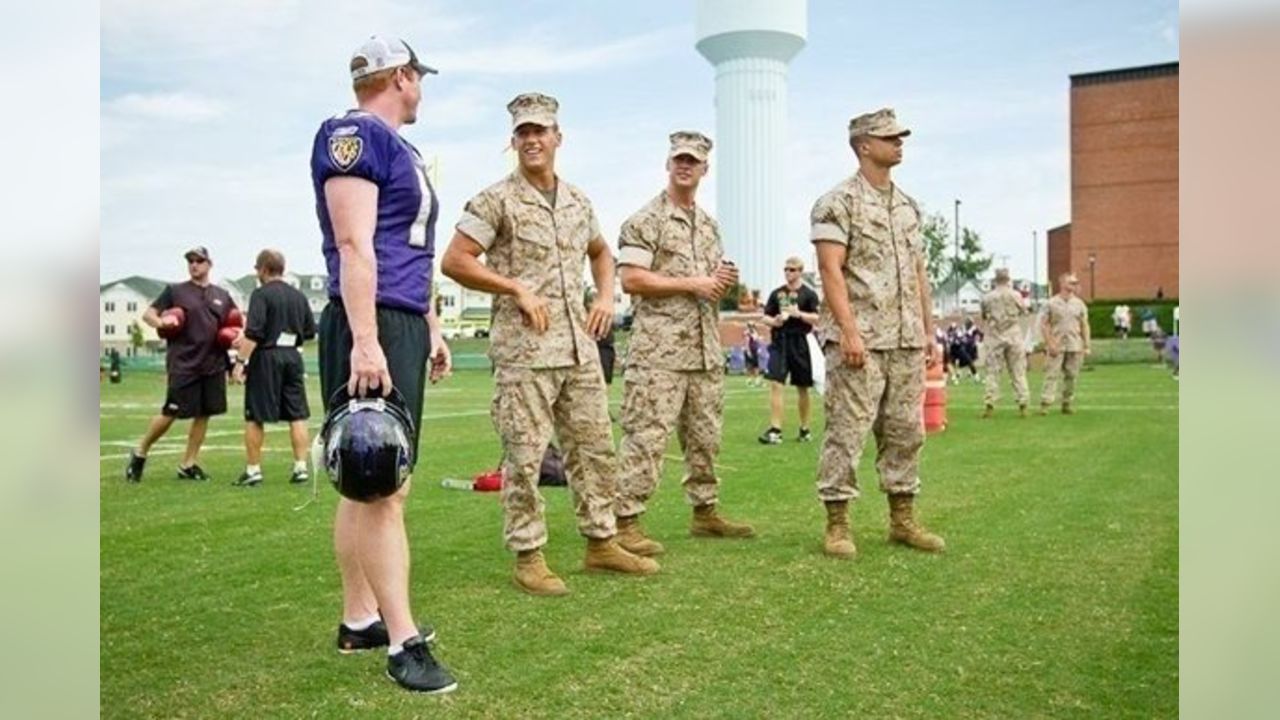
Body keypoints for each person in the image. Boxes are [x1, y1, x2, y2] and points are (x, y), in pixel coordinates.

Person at [441, 92, 657, 597]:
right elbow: (455, 260)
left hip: (578, 348)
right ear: (512, 141)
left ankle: (601, 541)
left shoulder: (579, 201)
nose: (532, 139)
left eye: (540, 130)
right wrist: (514, 287)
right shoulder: (495, 200)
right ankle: (529, 554)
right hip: (526, 352)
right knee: (525, 455)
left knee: (596, 448)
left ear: (558, 137)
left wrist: (605, 295)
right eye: (522, 132)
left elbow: (602, 253)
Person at [309, 35, 456, 693]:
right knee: (379, 477)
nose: (421, 87)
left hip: (397, 317)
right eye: (417, 77)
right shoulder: (353, 135)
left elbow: (407, 252)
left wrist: (428, 325)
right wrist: (367, 340)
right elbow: (352, 242)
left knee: (367, 479)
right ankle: (402, 641)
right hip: (368, 320)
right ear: (400, 78)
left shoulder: (402, 148)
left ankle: (360, 618)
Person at [611, 131, 755, 558]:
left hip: (704, 349)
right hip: (660, 353)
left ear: (705, 169)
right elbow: (631, 278)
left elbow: (710, 286)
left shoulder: (708, 226)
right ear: (668, 164)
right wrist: (695, 283)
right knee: (646, 437)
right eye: (679, 159)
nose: (685, 166)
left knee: (706, 437)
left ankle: (705, 512)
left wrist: (722, 282)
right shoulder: (645, 220)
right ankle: (627, 521)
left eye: (693, 161)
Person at [810, 107, 945, 559]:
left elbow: (918, 272)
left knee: (907, 431)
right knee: (847, 432)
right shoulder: (837, 202)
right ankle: (838, 523)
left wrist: (928, 330)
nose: (899, 142)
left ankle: (902, 519)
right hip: (860, 341)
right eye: (889, 137)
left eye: (900, 136)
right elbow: (830, 269)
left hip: (905, 339)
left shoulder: (907, 207)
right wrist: (848, 332)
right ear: (864, 145)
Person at [123, 246, 237, 483]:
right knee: (171, 412)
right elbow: (148, 315)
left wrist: (236, 340)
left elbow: (235, 322)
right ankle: (140, 451)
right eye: (190, 261)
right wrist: (161, 321)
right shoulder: (175, 291)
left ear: (209, 264)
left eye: (199, 260)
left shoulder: (222, 295)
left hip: (213, 363)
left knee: (205, 414)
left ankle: (188, 464)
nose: (194, 264)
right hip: (184, 363)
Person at [230, 249, 317, 487]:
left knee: (255, 415)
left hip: (266, 357)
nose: (257, 273)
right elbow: (309, 331)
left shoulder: (260, 294)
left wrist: (239, 363)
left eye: (257, 269)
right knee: (297, 413)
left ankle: (253, 470)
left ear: (264, 269)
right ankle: (301, 468)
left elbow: (254, 332)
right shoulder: (298, 296)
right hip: (292, 356)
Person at [757, 257, 820, 444]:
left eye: (792, 270)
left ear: (800, 271)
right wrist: (775, 321)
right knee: (776, 383)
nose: (788, 273)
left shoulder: (809, 294)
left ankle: (805, 428)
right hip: (779, 341)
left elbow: (817, 318)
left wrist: (799, 314)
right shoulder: (777, 294)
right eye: (786, 269)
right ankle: (775, 430)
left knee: (802, 387)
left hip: (800, 342)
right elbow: (765, 317)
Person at [979, 268, 1030, 417]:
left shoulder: (987, 297)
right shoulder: (1016, 295)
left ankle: (990, 404)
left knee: (992, 372)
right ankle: (1023, 403)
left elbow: (983, 315)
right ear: (1008, 280)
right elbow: (1025, 311)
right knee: (1018, 371)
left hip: (995, 336)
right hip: (1013, 335)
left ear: (995, 280)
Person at [1038, 272, 1091, 415]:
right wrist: (1050, 343)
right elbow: (1044, 325)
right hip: (1057, 344)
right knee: (1051, 375)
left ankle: (1066, 403)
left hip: (1074, 345)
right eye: (1071, 283)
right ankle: (1045, 404)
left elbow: (1084, 325)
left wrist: (1086, 345)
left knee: (1072, 376)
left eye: (1075, 283)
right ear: (1062, 284)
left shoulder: (1079, 304)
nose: (1074, 285)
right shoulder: (1051, 303)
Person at [744, 322, 764, 387]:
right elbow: (747, 342)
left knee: (756, 366)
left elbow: (756, 341)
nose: (752, 327)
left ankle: (756, 381)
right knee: (750, 367)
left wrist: (759, 347)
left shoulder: (754, 333)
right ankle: (749, 381)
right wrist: (748, 351)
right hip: (750, 351)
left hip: (754, 351)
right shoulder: (747, 333)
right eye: (750, 326)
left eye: (752, 326)